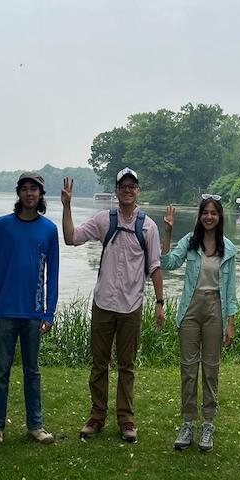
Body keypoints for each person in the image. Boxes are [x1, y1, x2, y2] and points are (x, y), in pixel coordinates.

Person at [61, 167, 164, 443]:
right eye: (122, 186)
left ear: (138, 191)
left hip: (132, 305)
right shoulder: (104, 220)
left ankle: (126, 419)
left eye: (132, 186)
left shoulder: (148, 227)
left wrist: (160, 302)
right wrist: (67, 206)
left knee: (127, 366)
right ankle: (97, 416)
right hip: (104, 302)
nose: (127, 190)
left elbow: (155, 266)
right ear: (116, 190)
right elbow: (71, 238)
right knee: (99, 364)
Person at [0, 172, 59, 447]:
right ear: (18, 194)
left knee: (33, 372)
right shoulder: (2, 226)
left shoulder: (49, 230)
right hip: (5, 310)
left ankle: (36, 426)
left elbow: (52, 274)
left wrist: (48, 312)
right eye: (25, 189)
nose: (29, 194)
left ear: (41, 195)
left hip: (33, 312)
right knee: (1, 372)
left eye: (35, 189)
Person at [160, 195, 238, 453]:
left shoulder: (228, 248)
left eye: (213, 213)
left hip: (215, 307)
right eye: (205, 212)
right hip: (191, 309)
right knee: (189, 369)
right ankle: (188, 423)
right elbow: (167, 263)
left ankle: (208, 424)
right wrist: (168, 233)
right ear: (200, 216)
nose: (209, 217)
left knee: (211, 369)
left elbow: (230, 291)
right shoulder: (189, 243)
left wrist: (231, 323)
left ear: (219, 217)